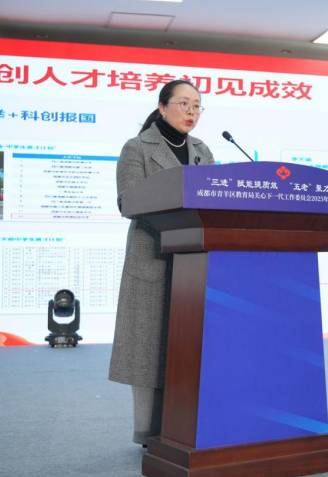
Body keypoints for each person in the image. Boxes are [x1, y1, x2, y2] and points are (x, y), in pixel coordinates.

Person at [108, 80, 214, 447]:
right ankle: (149, 431)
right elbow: (127, 201)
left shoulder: (202, 150)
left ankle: (190, 426)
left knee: (191, 346)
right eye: (184, 104)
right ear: (163, 107)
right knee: (150, 348)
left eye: (197, 106)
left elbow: (216, 200)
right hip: (153, 255)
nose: (191, 111)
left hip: (196, 261)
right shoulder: (137, 147)